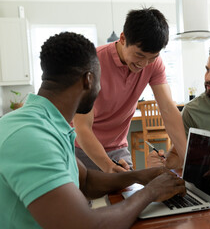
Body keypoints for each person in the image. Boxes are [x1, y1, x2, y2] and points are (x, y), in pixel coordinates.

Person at [0, 32, 185, 228]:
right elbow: (84, 225)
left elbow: (86, 181)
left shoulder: (48, 123)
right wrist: (149, 193)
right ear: (89, 79)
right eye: (100, 80)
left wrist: (139, 175)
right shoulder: (30, 137)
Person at [73, 7, 187, 173]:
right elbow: (82, 127)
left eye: (152, 57)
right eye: (139, 55)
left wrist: (187, 160)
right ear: (123, 38)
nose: (144, 64)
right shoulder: (92, 63)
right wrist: (108, 167)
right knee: (81, 199)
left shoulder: (154, 64)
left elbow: (168, 109)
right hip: (80, 147)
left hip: (117, 147)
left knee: (130, 195)